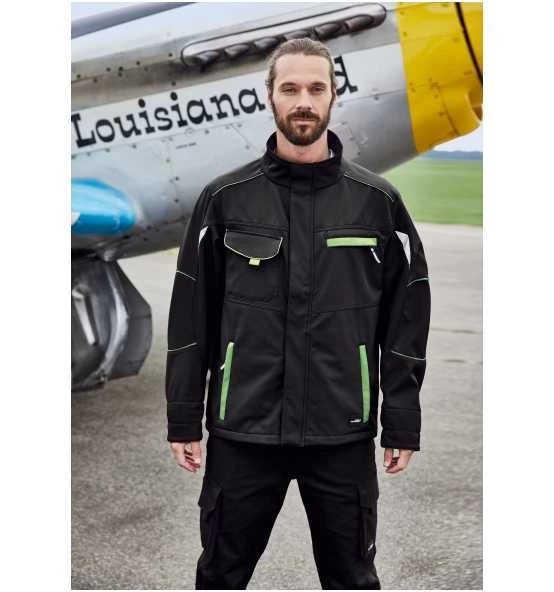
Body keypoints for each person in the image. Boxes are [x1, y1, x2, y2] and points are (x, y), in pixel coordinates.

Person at [165, 37, 431, 590]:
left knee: (352, 580)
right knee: (219, 576)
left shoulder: (377, 203)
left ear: (334, 94)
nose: (303, 101)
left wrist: (401, 418)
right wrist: (183, 416)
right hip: (244, 432)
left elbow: (406, 320)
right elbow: (191, 317)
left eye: (316, 88)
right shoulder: (225, 200)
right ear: (270, 96)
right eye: (290, 88)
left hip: (341, 434)